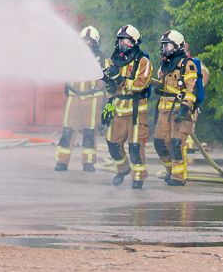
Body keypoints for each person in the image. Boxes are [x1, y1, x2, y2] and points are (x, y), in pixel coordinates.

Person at [102, 26, 154, 189]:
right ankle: (123, 168)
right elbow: (110, 89)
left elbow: (140, 85)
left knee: (135, 147)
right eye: (120, 41)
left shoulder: (143, 62)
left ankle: (138, 177)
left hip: (136, 112)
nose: (122, 44)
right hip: (118, 109)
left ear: (134, 42)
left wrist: (120, 79)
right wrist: (109, 83)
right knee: (112, 144)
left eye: (125, 41)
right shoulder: (114, 61)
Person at [148, 30, 200, 186]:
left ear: (177, 46)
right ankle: (171, 170)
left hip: (179, 112)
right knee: (159, 143)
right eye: (163, 46)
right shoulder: (165, 65)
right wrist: (159, 88)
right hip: (164, 110)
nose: (164, 49)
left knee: (176, 144)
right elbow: (164, 85)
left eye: (168, 45)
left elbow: (192, 89)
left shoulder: (187, 64)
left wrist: (185, 107)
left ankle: (178, 177)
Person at [57, 25, 105, 173]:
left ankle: (88, 163)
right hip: (74, 96)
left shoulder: (102, 58)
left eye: (90, 41)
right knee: (68, 130)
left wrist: (109, 102)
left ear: (96, 42)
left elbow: (109, 79)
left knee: (89, 132)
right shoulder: (72, 57)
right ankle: (62, 161)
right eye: (85, 40)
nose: (87, 44)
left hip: (93, 99)